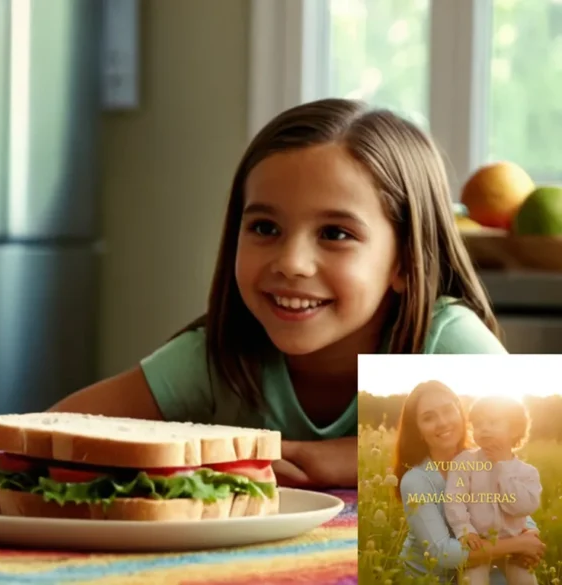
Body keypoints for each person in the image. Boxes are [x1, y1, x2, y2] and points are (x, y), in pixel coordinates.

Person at [50, 98, 505, 490]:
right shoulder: (218, 361)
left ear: (405, 262)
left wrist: (356, 457)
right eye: (265, 228)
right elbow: (54, 439)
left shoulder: (444, 344)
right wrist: (194, 462)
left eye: (335, 233)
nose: (291, 262)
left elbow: (542, 453)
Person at [394, 381, 545, 584]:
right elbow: (443, 552)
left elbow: (510, 506)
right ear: (418, 430)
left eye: (448, 411)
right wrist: (518, 544)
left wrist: (530, 534)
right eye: (429, 418)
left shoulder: (485, 458)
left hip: (484, 563)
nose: (442, 422)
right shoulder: (416, 481)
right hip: (433, 577)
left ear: (461, 414)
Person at [444, 395, 542, 585]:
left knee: (526, 581)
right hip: (479, 543)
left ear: (514, 429)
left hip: (514, 546)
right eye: (478, 424)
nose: (484, 428)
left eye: (493, 422)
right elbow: (454, 499)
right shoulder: (465, 462)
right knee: (472, 581)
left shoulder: (527, 473)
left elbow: (522, 507)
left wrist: (503, 467)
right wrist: (465, 531)